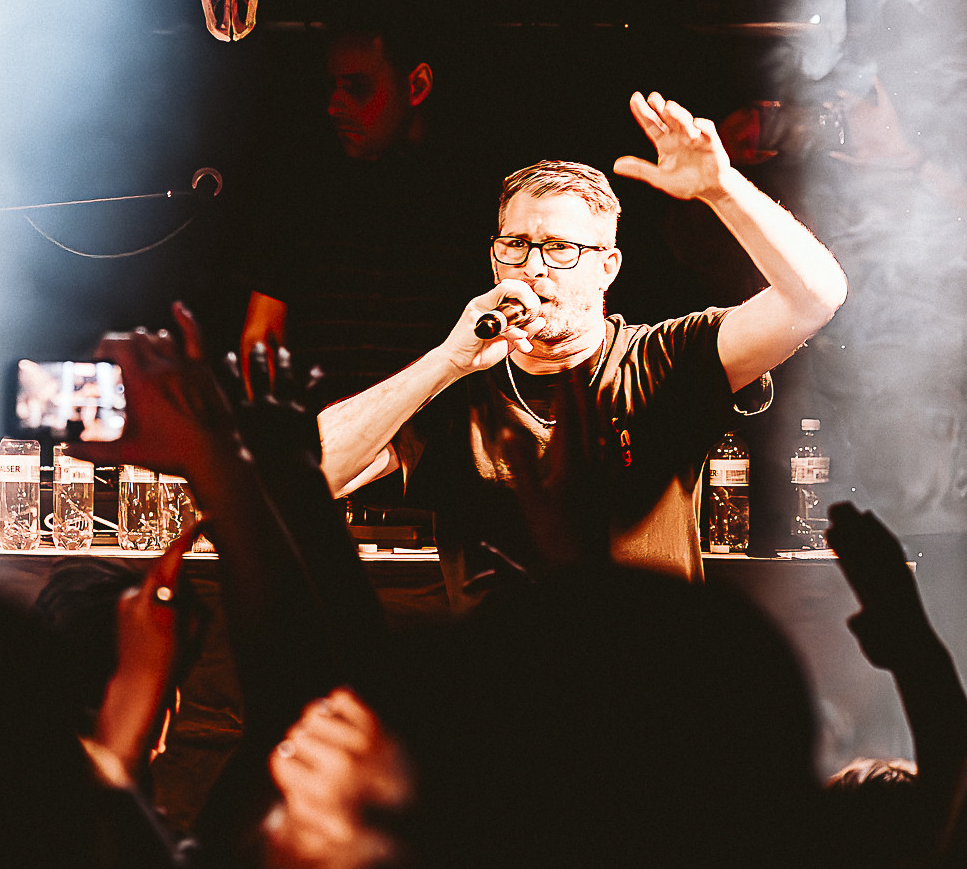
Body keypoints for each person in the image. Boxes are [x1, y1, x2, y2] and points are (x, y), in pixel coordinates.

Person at [317, 92, 848, 597]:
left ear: (607, 268)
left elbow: (816, 297)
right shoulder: (458, 384)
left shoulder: (662, 358)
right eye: (516, 245)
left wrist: (721, 190)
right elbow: (314, 473)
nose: (534, 267)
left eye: (560, 248)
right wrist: (444, 363)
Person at [240, 0, 488, 408]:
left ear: (417, 86)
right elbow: (261, 337)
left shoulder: (471, 204)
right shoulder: (302, 197)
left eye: (356, 86)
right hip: (325, 433)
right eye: (332, 86)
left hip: (431, 434)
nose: (334, 106)